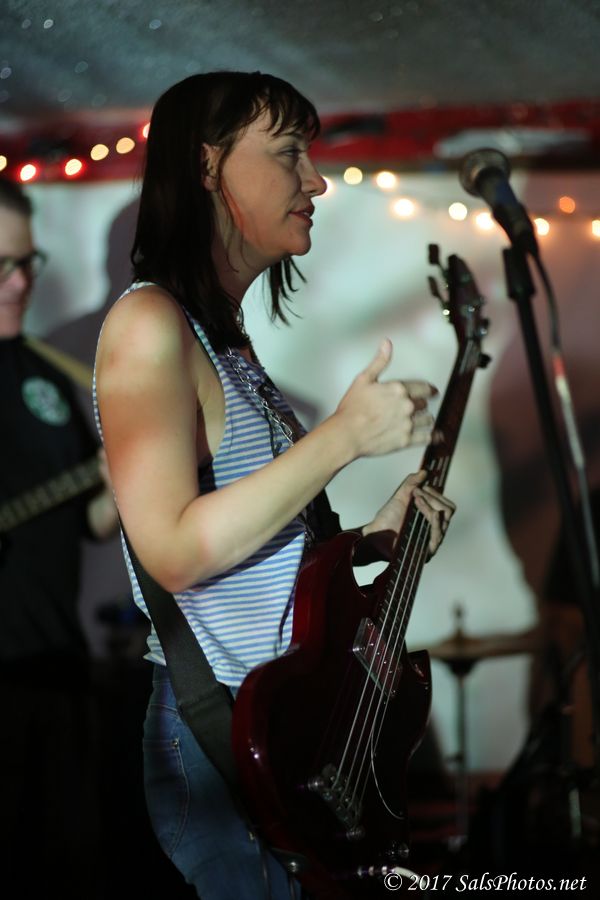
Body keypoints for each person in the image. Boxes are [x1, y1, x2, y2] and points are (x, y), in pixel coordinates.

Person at [93, 71, 456, 900]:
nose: (315, 181)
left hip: (287, 722)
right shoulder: (148, 324)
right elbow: (174, 549)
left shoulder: (224, 341)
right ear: (208, 166)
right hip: (225, 732)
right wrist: (340, 438)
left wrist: (365, 539)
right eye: (289, 152)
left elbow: (250, 544)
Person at [0, 176, 119, 897]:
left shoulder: (45, 372)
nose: (20, 283)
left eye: (27, 263)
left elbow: (91, 522)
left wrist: (131, 477)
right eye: (2, 266)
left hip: (58, 671)